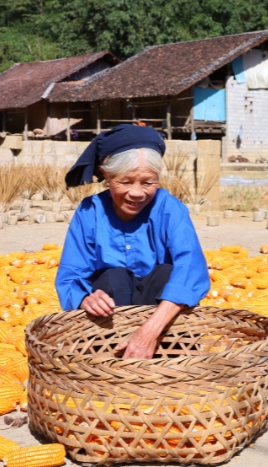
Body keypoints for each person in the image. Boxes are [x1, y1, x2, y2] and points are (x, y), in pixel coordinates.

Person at [55, 124, 210, 359]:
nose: (137, 193)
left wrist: (147, 332)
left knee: (167, 273)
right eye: (126, 183)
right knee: (114, 276)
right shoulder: (89, 212)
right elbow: (71, 274)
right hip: (110, 315)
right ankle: (109, 362)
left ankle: (171, 366)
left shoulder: (171, 209)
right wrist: (86, 297)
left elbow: (191, 270)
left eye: (148, 183)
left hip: (162, 316)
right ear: (106, 175)